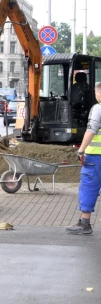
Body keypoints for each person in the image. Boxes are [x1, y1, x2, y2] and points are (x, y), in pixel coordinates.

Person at [66, 82, 101, 235]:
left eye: (96, 93)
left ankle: (85, 223)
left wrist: (81, 150)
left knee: (88, 187)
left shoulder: (98, 108)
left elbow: (91, 130)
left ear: (99, 93)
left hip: (95, 157)